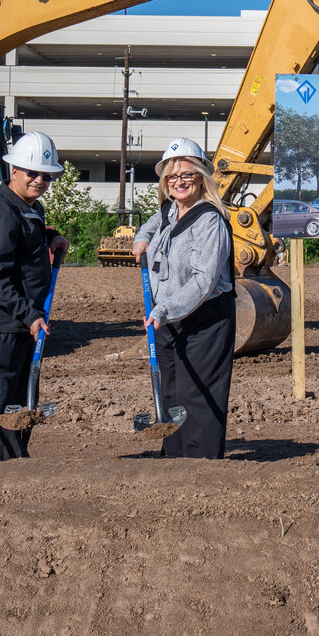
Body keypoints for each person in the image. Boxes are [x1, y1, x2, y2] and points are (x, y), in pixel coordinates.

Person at [0, 132, 69, 461]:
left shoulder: (26, 209)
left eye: (46, 175)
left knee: (17, 405)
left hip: (17, 324)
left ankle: (11, 468)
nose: (39, 180)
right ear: (14, 171)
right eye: (32, 173)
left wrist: (49, 236)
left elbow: (19, 246)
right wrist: (30, 314)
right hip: (0, 326)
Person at [133, 137, 236, 459]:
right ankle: (174, 457)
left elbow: (203, 281)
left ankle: (200, 461)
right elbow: (153, 224)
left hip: (204, 318)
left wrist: (163, 310)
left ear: (201, 178)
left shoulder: (209, 220)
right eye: (171, 177)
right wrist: (141, 238)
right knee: (173, 389)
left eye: (186, 176)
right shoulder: (169, 211)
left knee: (197, 394)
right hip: (167, 318)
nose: (178, 182)